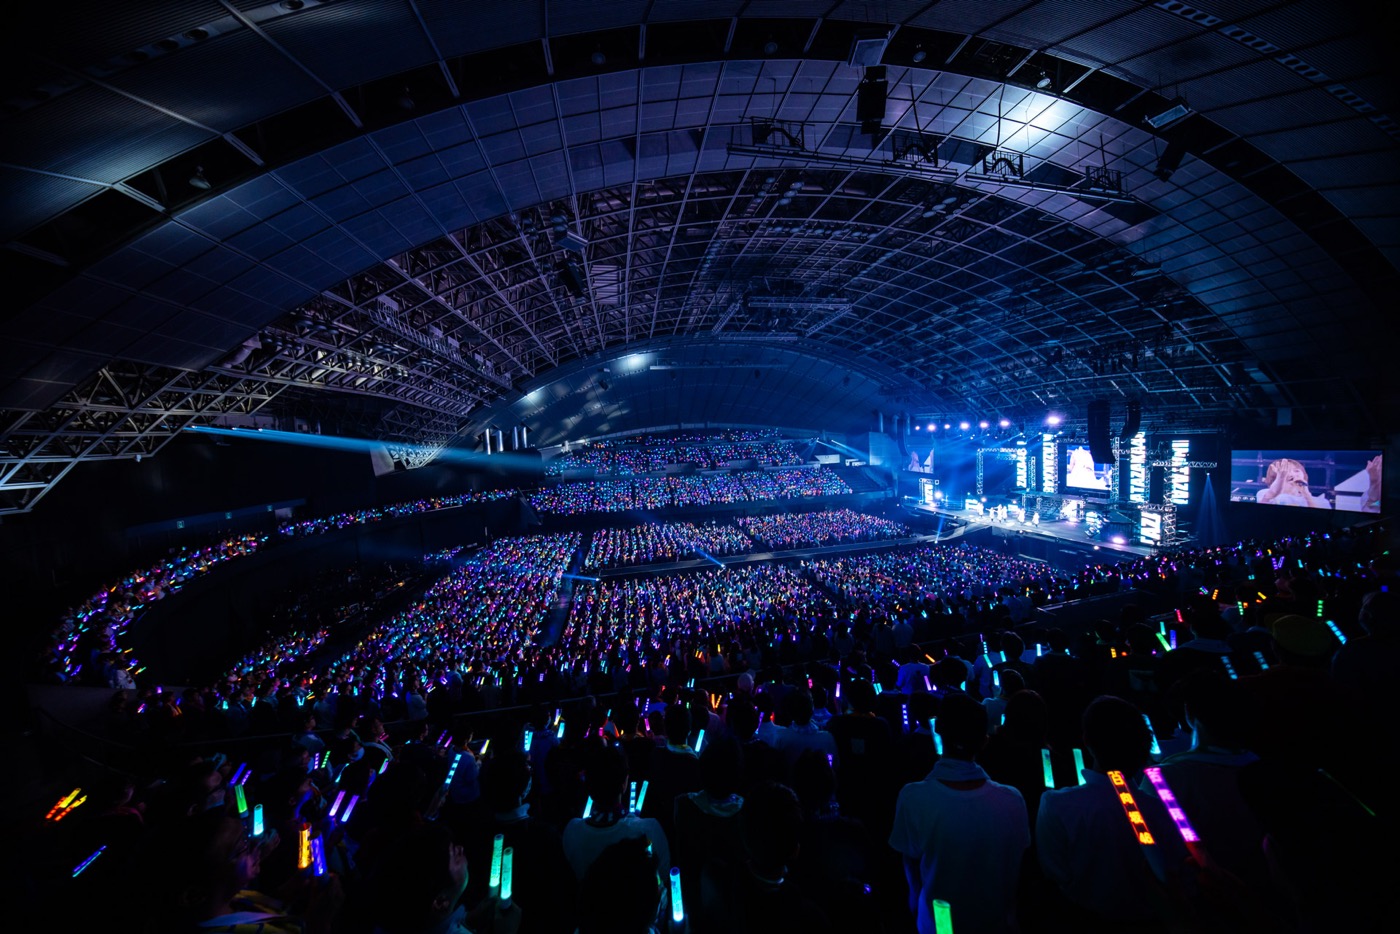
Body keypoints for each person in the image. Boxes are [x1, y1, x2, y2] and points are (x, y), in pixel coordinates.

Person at [888, 693, 1030, 934]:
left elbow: (910, 862)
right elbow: (1015, 865)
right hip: (995, 921)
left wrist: (915, 898)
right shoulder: (1012, 800)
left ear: (937, 731)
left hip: (941, 923)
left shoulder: (914, 797)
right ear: (984, 741)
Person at [1255, 458, 1329, 508]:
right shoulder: (1264, 493)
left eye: (1296, 471)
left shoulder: (1321, 502)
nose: (1292, 474)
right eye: (1286, 471)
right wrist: (1281, 479)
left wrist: (1307, 495)